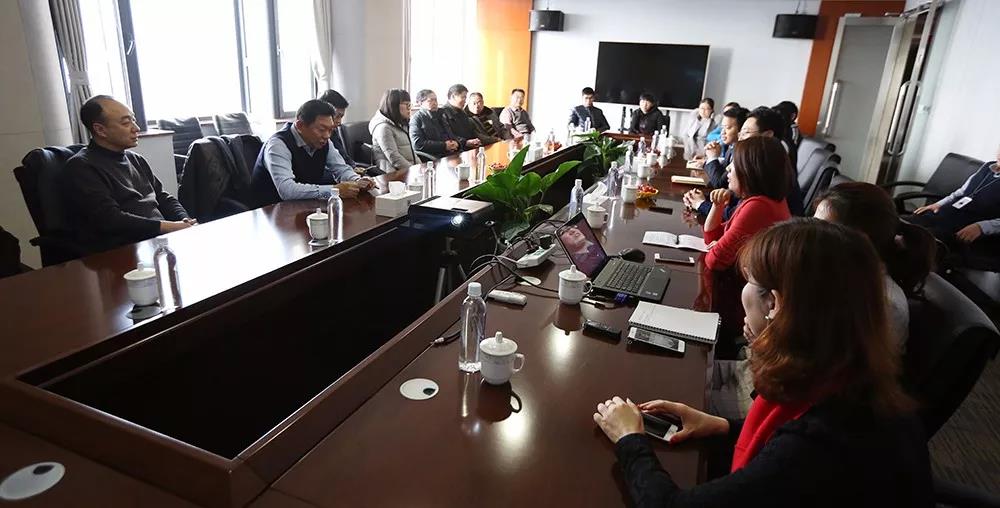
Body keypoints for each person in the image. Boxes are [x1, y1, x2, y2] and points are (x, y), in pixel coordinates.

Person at [593, 219, 933, 507]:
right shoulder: (848, 380)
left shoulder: (819, 445)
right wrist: (722, 427)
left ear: (774, 304)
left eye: (750, 281)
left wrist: (629, 439)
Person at [61, 95, 194, 255]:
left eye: (133, 120)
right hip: (122, 251)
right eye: (126, 123)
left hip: (156, 242)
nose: (136, 128)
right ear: (100, 130)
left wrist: (185, 221)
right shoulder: (81, 167)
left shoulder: (136, 159)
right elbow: (109, 219)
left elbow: (163, 197)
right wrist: (167, 227)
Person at [813, 182, 936, 349]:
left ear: (860, 241)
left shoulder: (883, 306)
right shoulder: (839, 270)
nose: (810, 235)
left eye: (821, 230)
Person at [251, 99, 373, 207]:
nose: (327, 135)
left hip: (304, 206)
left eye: (330, 130)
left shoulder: (323, 141)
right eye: (322, 129)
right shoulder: (277, 145)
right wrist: (334, 190)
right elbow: (287, 190)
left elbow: (341, 169)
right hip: (270, 210)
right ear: (300, 125)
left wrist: (357, 180)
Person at [702, 136, 792, 271]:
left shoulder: (758, 206)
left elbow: (715, 261)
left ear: (750, 170)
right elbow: (711, 238)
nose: (728, 168)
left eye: (734, 162)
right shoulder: (759, 200)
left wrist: (718, 247)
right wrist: (717, 205)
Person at [908, 145, 1000, 262]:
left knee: (919, 240)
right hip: (946, 214)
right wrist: (938, 204)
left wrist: (982, 227)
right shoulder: (987, 167)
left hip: (965, 227)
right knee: (904, 223)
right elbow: (961, 192)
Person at [369, 88, 419, 173]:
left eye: (410, 104)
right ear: (394, 106)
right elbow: (395, 158)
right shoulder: (383, 128)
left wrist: (420, 167)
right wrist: (415, 171)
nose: (409, 108)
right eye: (406, 104)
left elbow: (411, 154)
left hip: (407, 170)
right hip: (392, 173)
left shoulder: (400, 123)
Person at [409, 89, 462, 158]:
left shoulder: (441, 115)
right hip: (435, 156)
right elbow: (418, 144)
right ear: (420, 103)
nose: (434, 103)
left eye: (435, 100)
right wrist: (444, 146)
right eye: (430, 101)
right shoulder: (416, 119)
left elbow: (451, 135)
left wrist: (457, 143)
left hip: (451, 152)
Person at [317, 89, 361, 168]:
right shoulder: (315, 135)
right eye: (337, 116)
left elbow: (343, 157)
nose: (339, 122)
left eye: (341, 117)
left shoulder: (333, 131)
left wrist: (354, 168)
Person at [439, 84, 490, 148]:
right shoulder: (442, 113)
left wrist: (478, 140)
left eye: (465, 97)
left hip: (471, 147)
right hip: (457, 149)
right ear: (453, 96)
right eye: (463, 97)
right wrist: (465, 142)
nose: (465, 101)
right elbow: (448, 136)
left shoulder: (462, 112)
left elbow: (472, 131)